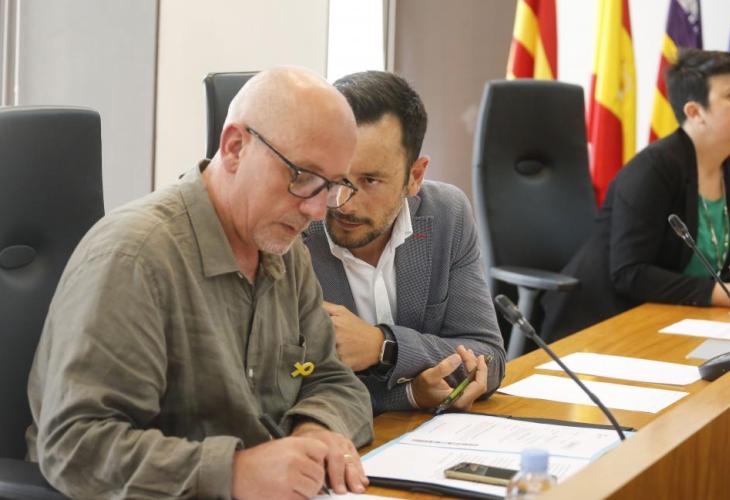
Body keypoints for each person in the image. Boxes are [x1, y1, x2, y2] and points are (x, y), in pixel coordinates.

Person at [26, 67, 373, 499]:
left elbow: (334, 380)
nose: (318, 211)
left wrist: (316, 430)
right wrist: (234, 473)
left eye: (333, 186)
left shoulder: (284, 249)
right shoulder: (135, 258)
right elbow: (75, 447)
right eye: (303, 177)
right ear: (235, 147)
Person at [303, 71, 506, 414]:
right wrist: (408, 394)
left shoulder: (447, 214)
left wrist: (385, 346)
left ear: (415, 177)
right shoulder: (293, 230)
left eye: (370, 180)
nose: (343, 203)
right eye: (335, 178)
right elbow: (288, 393)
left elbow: (488, 359)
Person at [541, 49, 730, 341]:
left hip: (684, 318)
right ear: (695, 112)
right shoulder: (653, 169)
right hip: (602, 324)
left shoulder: (725, 166)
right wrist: (717, 292)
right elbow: (630, 273)